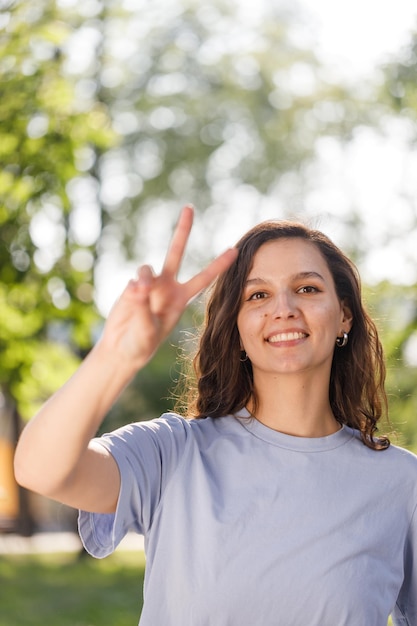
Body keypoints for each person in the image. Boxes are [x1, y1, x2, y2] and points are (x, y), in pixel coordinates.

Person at [14, 205, 417, 625]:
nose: (284, 309)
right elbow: (40, 469)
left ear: (344, 316)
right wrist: (115, 357)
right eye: (257, 295)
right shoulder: (173, 452)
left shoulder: (402, 485)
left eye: (307, 289)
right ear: (238, 328)